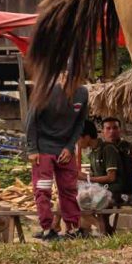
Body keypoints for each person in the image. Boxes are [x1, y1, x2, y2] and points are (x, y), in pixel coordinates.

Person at [26, 71, 88, 240]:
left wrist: (69, 147)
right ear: (59, 76)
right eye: (65, 76)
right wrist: (32, 149)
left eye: (73, 76)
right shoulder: (45, 91)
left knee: (69, 189)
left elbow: (80, 122)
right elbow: (31, 120)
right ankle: (47, 229)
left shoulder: (82, 93)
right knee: (43, 189)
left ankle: (73, 228)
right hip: (44, 149)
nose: (68, 80)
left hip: (65, 149)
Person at [99, 116, 132, 203]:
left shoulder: (130, 148)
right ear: (102, 132)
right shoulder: (99, 150)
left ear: (120, 130)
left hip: (130, 189)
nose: (112, 131)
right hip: (106, 190)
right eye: (108, 128)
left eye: (115, 128)